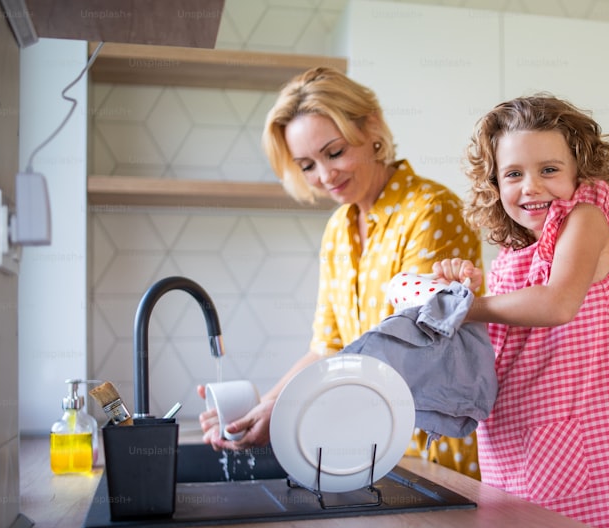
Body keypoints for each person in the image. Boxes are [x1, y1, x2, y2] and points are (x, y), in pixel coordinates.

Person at [198, 67, 483, 479]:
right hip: (369, 445)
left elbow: (413, 351)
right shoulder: (338, 229)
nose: (325, 176)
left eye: (334, 152)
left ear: (371, 129)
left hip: (434, 447)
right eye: (307, 164)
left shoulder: (430, 209)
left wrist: (286, 407)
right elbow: (327, 347)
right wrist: (265, 407)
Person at [433, 94, 609, 528]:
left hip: (577, 447)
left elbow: (556, 304)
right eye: (514, 174)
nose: (531, 186)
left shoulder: (587, 217)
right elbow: (503, 342)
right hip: (512, 445)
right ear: (495, 182)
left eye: (549, 170)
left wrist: (464, 307)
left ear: (580, 171)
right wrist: (465, 291)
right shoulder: (513, 252)